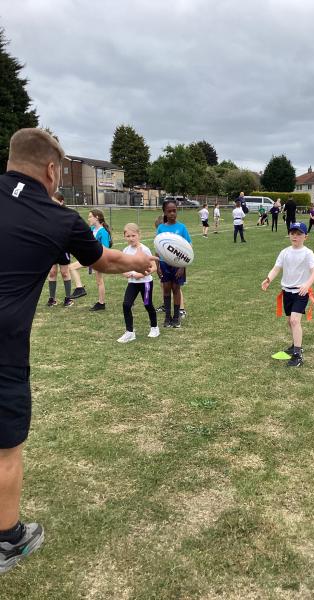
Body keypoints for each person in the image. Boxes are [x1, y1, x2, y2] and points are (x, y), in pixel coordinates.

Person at [0, 128, 154, 574]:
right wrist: (139, 260)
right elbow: (103, 260)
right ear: (52, 170)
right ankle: (7, 540)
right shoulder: (58, 218)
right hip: (4, 347)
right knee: (6, 449)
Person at [261, 222, 314, 367]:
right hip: (287, 292)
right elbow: (276, 268)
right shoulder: (285, 252)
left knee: (294, 321)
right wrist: (268, 279)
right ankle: (295, 345)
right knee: (289, 321)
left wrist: (307, 285)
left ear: (305, 237)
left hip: (301, 292)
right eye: (292, 233)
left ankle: (297, 355)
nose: (295, 236)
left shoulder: (308, 253)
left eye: (299, 234)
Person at [117, 223, 160, 343]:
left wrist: (141, 274)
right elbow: (122, 267)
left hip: (145, 283)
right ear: (124, 237)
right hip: (132, 283)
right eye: (128, 236)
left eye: (133, 235)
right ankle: (130, 332)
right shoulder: (126, 250)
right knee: (126, 305)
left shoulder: (144, 250)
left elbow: (154, 267)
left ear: (139, 235)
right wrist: (124, 273)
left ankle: (154, 328)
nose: (131, 238)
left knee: (147, 304)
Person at [156, 200, 192, 328]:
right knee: (166, 289)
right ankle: (167, 318)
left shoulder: (182, 227)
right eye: (169, 211)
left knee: (176, 289)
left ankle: (176, 318)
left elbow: (188, 248)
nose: (172, 213)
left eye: (174, 211)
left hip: (178, 265)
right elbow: (158, 248)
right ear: (164, 212)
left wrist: (182, 266)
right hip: (164, 263)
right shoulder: (161, 228)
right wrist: (157, 265)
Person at [69, 209, 112, 310]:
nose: (88, 219)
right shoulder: (91, 229)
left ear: (97, 218)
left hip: (98, 259)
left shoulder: (103, 232)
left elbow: (106, 249)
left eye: (90, 217)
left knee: (99, 281)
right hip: (90, 258)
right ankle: (80, 288)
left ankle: (101, 303)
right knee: (72, 267)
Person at [46, 191, 74, 307]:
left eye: (55, 201)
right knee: (52, 272)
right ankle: (52, 299)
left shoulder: (67, 214)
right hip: (51, 247)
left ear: (62, 202)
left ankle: (68, 298)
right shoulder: (48, 214)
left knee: (64, 272)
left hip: (63, 248)